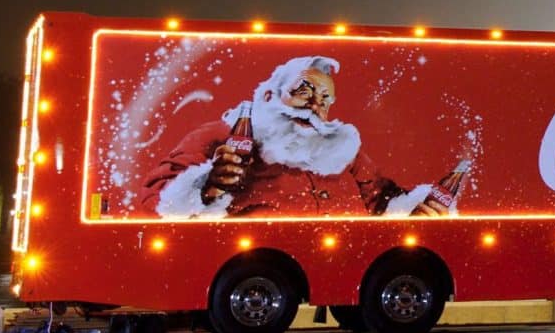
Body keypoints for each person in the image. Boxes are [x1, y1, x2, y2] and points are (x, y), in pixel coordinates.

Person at [144, 55, 447, 219]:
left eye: (325, 99)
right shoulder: (222, 134)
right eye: (304, 91)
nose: (316, 106)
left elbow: (382, 200)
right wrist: (205, 187)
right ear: (268, 95)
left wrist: (414, 210)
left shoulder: (342, 150)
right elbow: (155, 200)